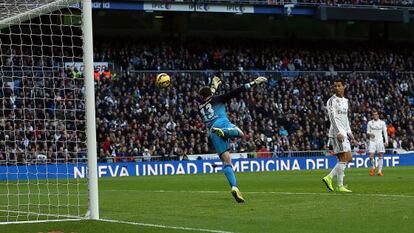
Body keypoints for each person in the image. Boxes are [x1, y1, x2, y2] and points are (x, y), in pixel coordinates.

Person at [198, 76, 267, 203]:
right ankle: (225, 132)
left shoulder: (200, 107)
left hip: (212, 131)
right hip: (222, 123)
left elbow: (209, 97)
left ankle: (235, 187)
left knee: (227, 161)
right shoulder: (218, 99)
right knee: (241, 133)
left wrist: (213, 87)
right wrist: (253, 83)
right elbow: (237, 91)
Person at [322, 78, 355, 193]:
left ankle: (339, 185)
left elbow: (345, 119)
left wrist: (350, 134)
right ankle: (329, 178)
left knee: (347, 158)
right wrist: (338, 132)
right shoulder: (331, 100)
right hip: (337, 133)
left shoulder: (346, 101)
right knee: (345, 157)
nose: (336, 88)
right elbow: (332, 117)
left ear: (344, 87)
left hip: (344, 132)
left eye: (339, 85)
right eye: (335, 86)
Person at [367, 110, 388, 176]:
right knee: (371, 156)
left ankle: (379, 171)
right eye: (374, 115)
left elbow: (385, 132)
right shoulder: (370, 123)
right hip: (372, 141)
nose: (375, 116)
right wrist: (370, 134)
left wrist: (386, 141)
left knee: (380, 155)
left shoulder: (382, 123)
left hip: (380, 141)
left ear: (378, 115)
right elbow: (367, 131)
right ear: (372, 116)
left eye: (376, 114)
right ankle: (373, 166)